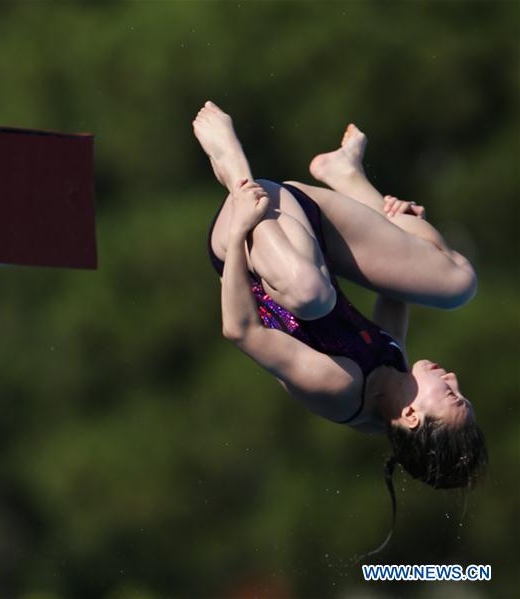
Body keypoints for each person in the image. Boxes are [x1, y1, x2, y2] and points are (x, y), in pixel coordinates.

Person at [193, 101, 486, 544]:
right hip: (310, 223)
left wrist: (237, 234)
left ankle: (231, 166)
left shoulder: (340, 389)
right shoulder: (395, 369)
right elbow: (396, 290)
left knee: (310, 297)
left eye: (451, 394)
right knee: (458, 283)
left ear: (410, 416)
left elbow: (242, 329)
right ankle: (347, 175)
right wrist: (402, 226)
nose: (454, 377)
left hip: (252, 241)